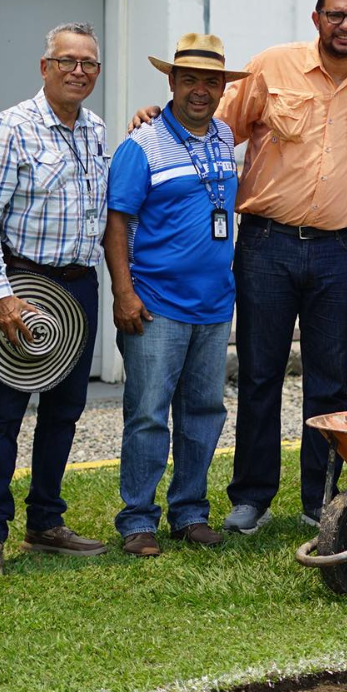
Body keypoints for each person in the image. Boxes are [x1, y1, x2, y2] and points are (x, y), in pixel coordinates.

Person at [131, 0, 347, 534]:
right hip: (266, 243)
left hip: (337, 250)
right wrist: (154, 119)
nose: (345, 26)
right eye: (335, 15)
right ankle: (252, 497)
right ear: (316, 18)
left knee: (329, 380)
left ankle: (321, 496)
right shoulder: (272, 67)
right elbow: (210, 128)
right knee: (260, 373)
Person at [0, 22, 109, 579]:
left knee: (65, 412)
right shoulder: (12, 127)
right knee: (4, 413)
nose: (78, 71)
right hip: (26, 286)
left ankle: (45, 522)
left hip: (79, 287)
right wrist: (0, 295)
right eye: (67, 61)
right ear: (44, 66)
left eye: (89, 64)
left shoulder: (95, 129)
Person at [105, 34, 243, 557]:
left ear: (223, 89)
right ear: (171, 83)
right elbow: (117, 222)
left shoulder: (225, 137)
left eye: (211, 81)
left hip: (214, 304)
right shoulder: (141, 145)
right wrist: (124, 291)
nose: (201, 91)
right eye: (191, 80)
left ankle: (189, 512)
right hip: (155, 304)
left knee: (204, 411)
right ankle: (137, 518)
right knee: (146, 413)